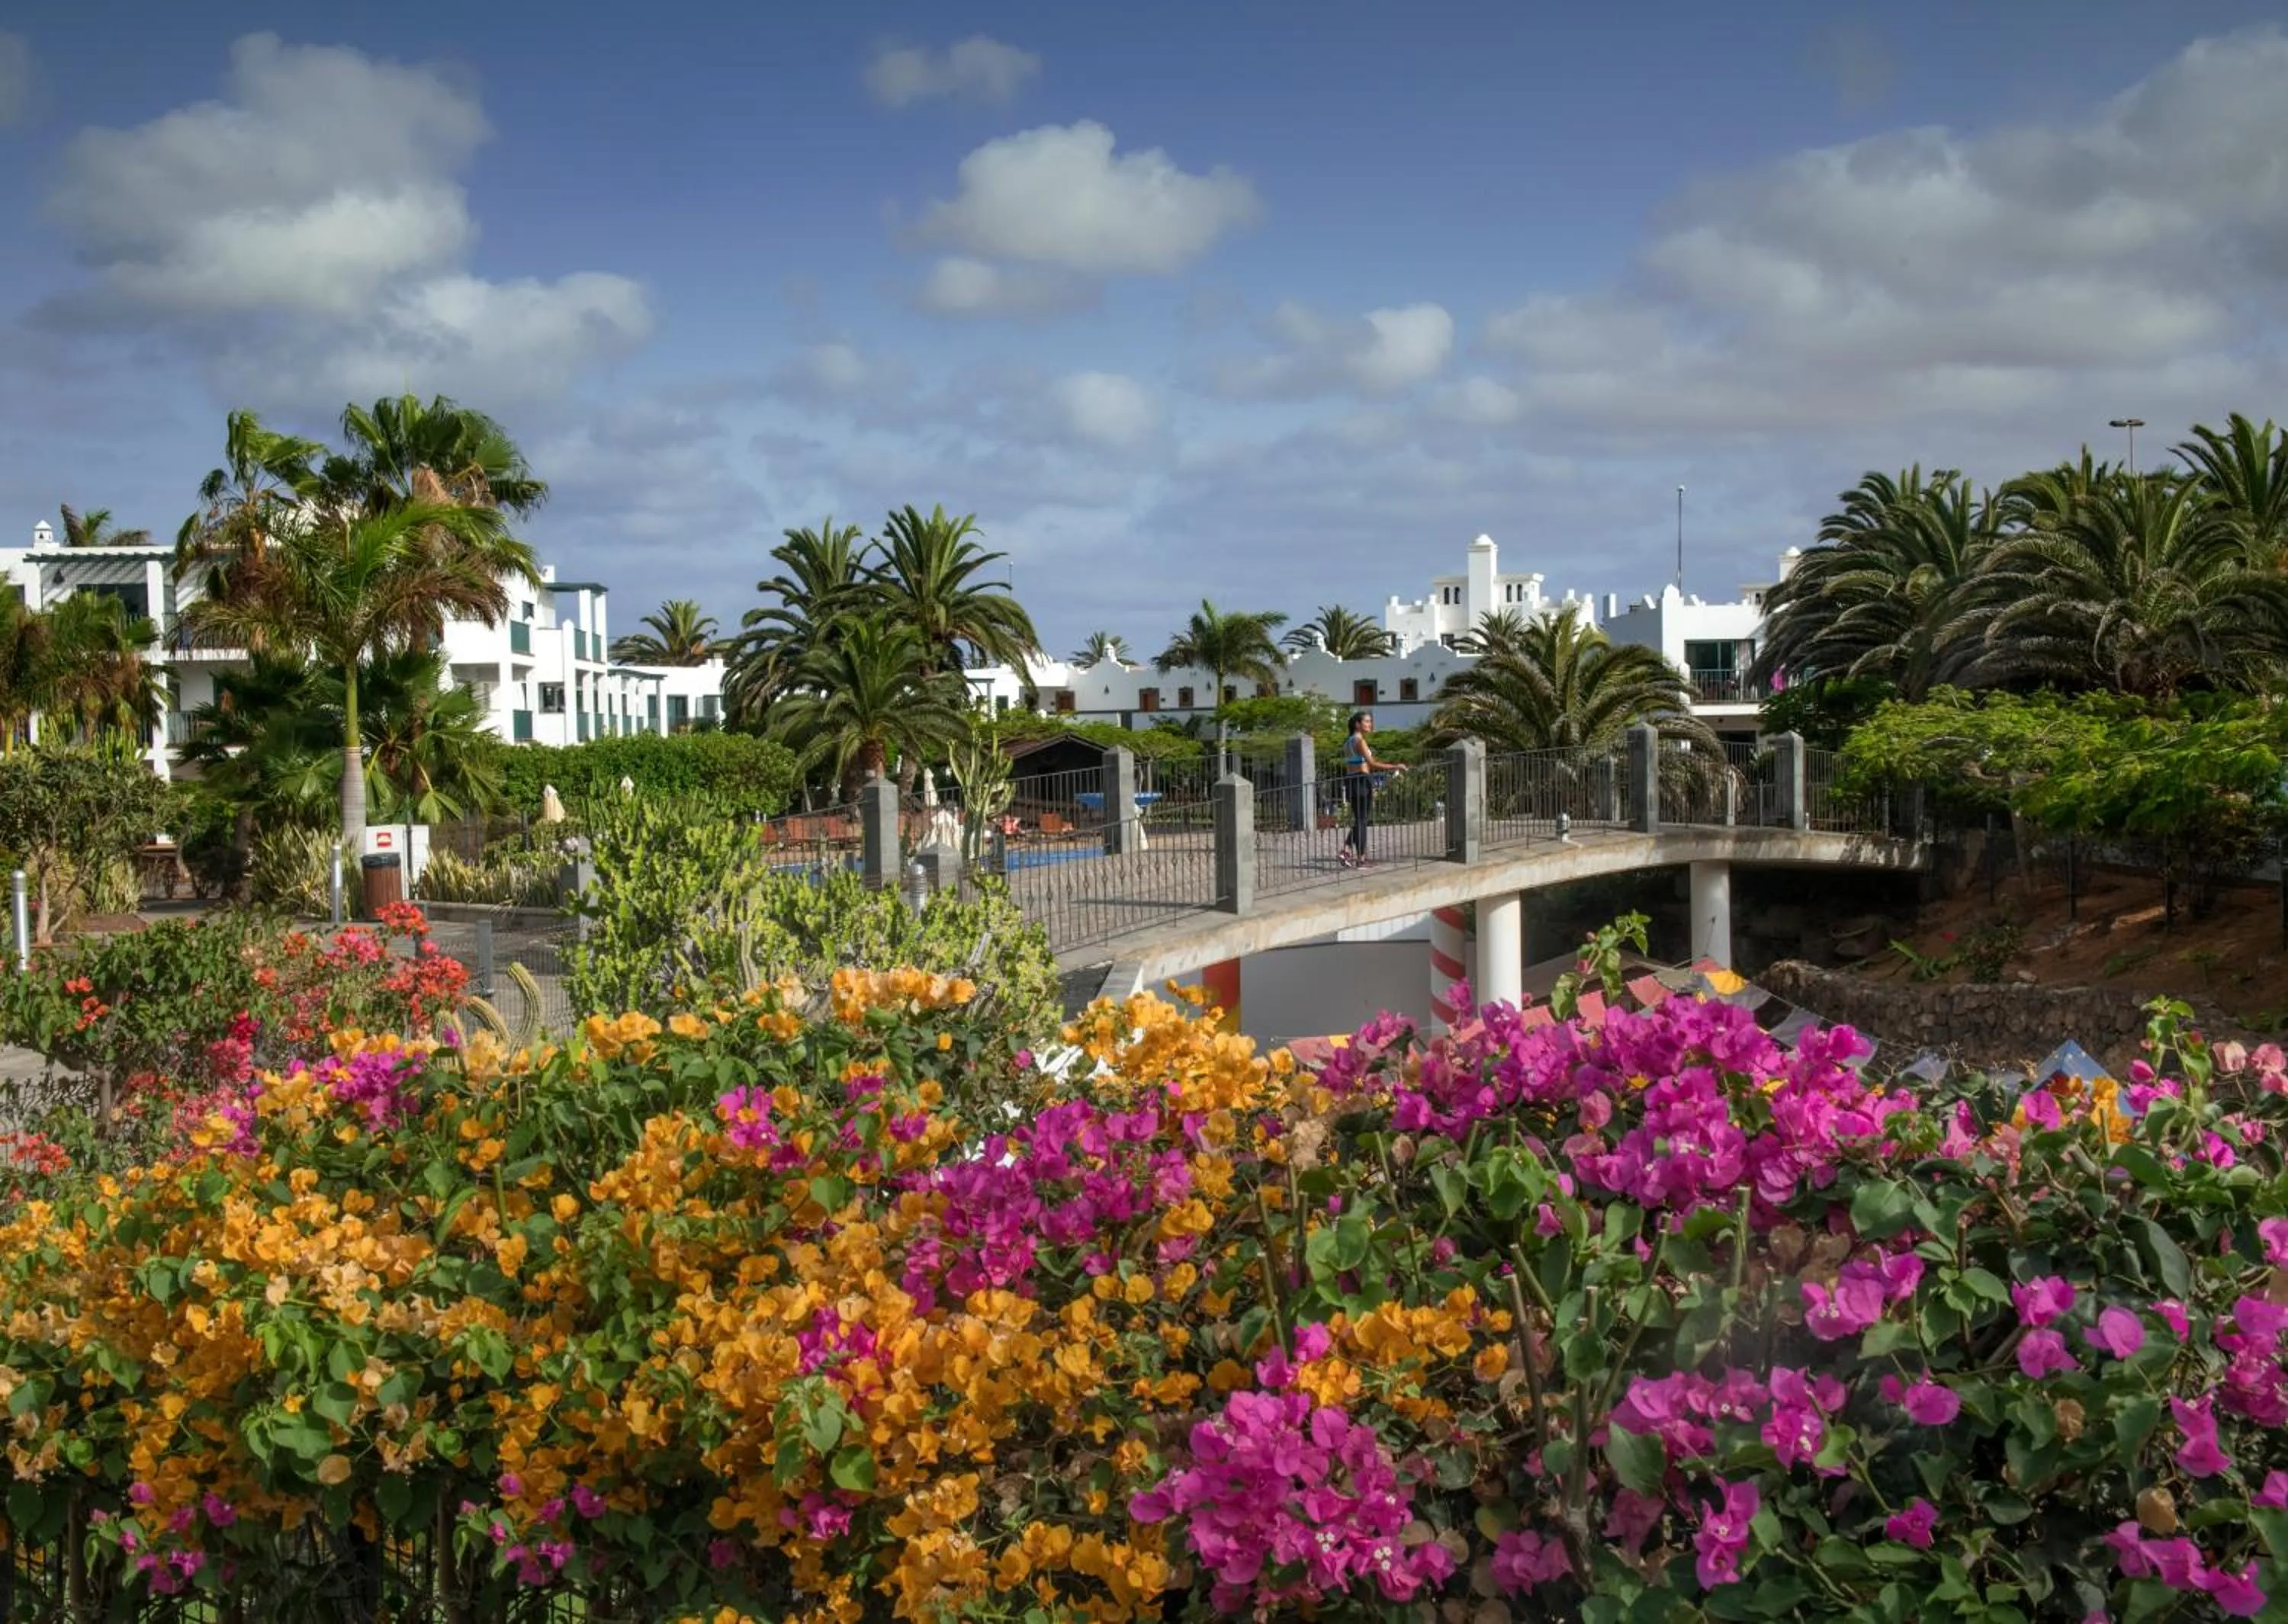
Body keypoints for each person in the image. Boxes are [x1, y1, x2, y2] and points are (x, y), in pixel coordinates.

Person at [1338, 711, 1406, 868]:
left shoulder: (1348, 741)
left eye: (1370, 721)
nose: (1370, 724)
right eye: (1367, 722)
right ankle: (1361, 859)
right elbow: (1372, 763)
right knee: (1362, 820)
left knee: (1360, 820)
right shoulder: (1359, 740)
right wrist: (1395, 766)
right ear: (1358, 724)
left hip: (1351, 780)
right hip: (1362, 780)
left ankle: (1346, 850)